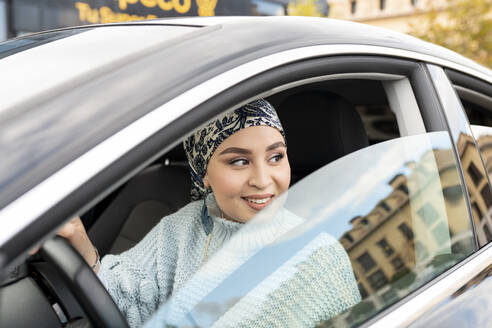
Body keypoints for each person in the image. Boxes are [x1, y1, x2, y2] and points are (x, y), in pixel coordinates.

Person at [57, 99, 360, 328]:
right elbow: (123, 297)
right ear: (204, 174)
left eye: (276, 157)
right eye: (239, 161)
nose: (263, 179)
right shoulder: (181, 229)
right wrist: (80, 244)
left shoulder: (319, 255)